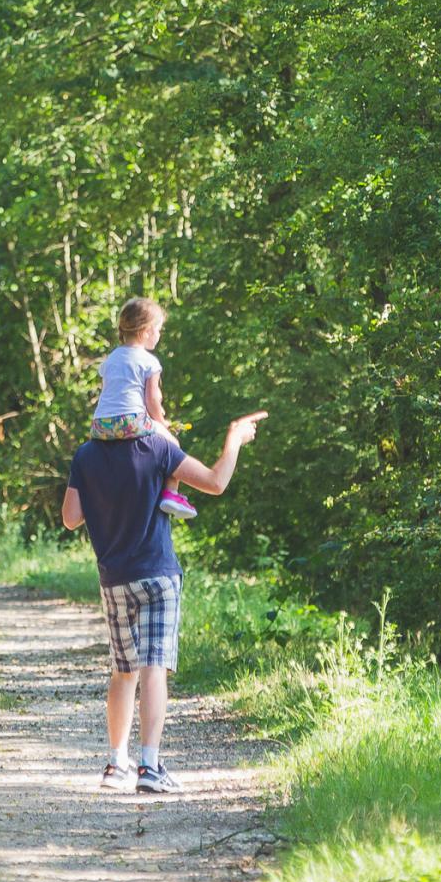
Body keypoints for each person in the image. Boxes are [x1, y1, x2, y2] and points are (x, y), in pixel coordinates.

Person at [62, 407, 267, 793]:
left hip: (114, 579)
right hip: (157, 574)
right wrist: (235, 438)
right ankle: (150, 767)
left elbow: (71, 517)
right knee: (154, 667)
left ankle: (115, 764)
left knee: (123, 671)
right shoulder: (158, 447)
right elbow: (216, 482)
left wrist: (107, 496)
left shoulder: (86, 454)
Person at [89, 297, 196, 519]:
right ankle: (171, 494)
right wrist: (162, 425)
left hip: (100, 425)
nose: (159, 334)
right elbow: (153, 400)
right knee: (172, 444)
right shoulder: (148, 361)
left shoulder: (110, 360)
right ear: (146, 331)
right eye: (158, 329)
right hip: (130, 420)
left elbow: (112, 395)